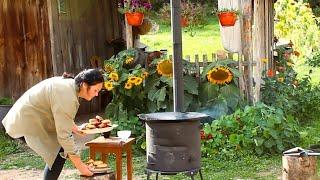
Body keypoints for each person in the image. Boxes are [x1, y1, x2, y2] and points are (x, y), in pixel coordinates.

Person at [2, 69, 105, 179]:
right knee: (59, 151)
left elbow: (61, 114)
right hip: (24, 122)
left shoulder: (69, 87)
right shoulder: (67, 94)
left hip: (30, 119)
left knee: (59, 152)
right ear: (84, 85)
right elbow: (64, 136)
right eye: (95, 90)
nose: (97, 94)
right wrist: (81, 167)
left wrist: (74, 128)